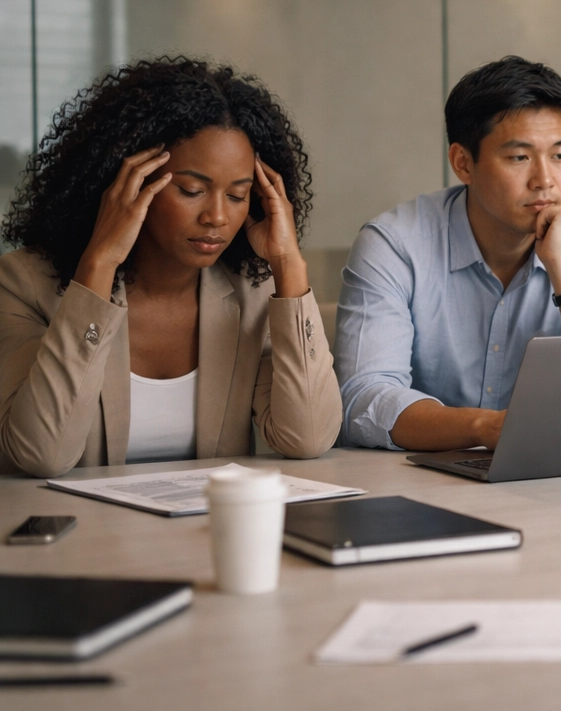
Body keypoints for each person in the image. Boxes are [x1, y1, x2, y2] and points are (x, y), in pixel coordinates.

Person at [0, 57, 340, 477]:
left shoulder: (254, 292)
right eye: (191, 190)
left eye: (237, 196)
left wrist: (288, 266)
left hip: (203, 537)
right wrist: (100, 261)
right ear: (128, 182)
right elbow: (41, 455)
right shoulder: (24, 284)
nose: (217, 216)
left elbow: (307, 437)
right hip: (84, 540)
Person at [336, 55, 561, 452]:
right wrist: (485, 427)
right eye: (519, 157)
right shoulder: (395, 246)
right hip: (421, 483)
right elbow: (364, 400)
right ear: (463, 163)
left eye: (560, 155)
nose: (545, 180)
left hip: (560, 483)